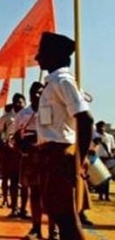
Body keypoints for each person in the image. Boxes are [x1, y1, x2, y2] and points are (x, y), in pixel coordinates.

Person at [35, 32, 93, 240]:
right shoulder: (52, 84)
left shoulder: (63, 81)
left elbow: (85, 120)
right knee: (57, 214)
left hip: (60, 155)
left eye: (41, 53)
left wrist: (80, 159)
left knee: (67, 218)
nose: (37, 58)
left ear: (55, 55)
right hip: (50, 155)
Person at [12, 82, 49, 239]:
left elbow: (50, 130)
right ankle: (36, 228)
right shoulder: (23, 114)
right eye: (34, 92)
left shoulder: (47, 110)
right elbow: (14, 135)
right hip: (30, 154)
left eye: (40, 92)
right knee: (34, 191)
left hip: (46, 152)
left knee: (49, 193)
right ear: (29, 94)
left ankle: (53, 230)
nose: (37, 95)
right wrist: (22, 147)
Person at [0, 94, 25, 216]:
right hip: (11, 152)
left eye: (21, 102)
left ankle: (23, 208)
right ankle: (14, 207)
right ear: (13, 103)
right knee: (13, 180)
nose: (19, 104)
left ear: (24, 102)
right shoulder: (5, 118)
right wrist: (2, 142)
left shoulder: (29, 115)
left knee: (26, 183)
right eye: (16, 102)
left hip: (26, 151)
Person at [93, 120, 114, 201]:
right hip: (97, 159)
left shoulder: (109, 137)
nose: (102, 128)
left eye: (103, 126)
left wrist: (111, 154)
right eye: (100, 127)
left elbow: (112, 148)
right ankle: (100, 195)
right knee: (100, 178)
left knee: (107, 178)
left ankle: (107, 195)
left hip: (107, 159)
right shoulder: (94, 136)